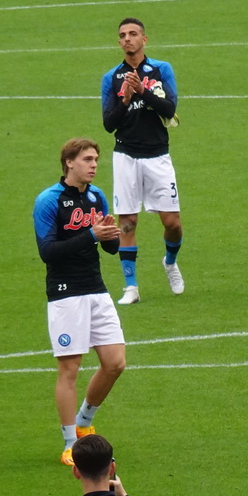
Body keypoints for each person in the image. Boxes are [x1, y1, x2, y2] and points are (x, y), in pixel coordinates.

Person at [34, 139, 126, 466]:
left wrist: (112, 236)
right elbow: (47, 251)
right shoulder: (48, 200)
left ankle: (85, 422)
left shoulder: (96, 196)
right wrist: (90, 236)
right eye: (88, 159)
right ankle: (71, 444)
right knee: (70, 369)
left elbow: (109, 249)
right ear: (69, 162)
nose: (94, 165)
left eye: (96, 159)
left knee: (115, 363)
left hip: (96, 289)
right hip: (65, 292)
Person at [101, 18, 184, 305]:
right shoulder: (111, 78)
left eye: (133, 34)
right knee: (127, 222)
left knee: (172, 222)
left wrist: (142, 91)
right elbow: (108, 124)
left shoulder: (162, 70)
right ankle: (131, 287)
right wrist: (124, 99)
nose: (127, 39)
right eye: (122, 35)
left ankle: (170, 262)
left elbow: (170, 108)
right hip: (125, 156)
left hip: (158, 154)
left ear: (144, 39)